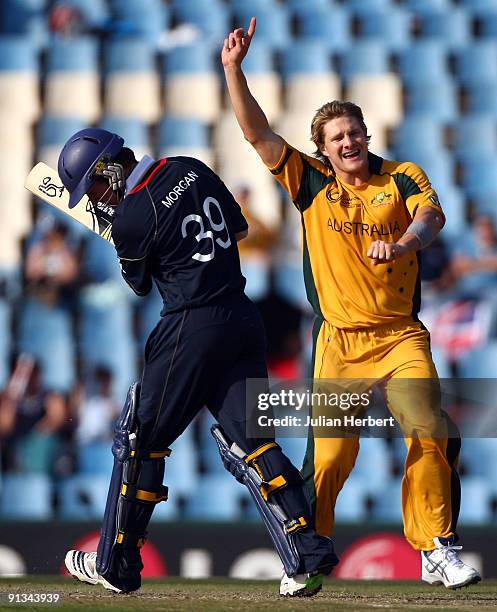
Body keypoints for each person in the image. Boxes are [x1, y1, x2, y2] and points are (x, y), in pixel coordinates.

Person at [221, 17, 481, 591]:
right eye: (336, 138)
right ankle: (308, 558)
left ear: (366, 134)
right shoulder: (311, 183)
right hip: (339, 342)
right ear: (323, 149)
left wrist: (406, 242)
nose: (348, 143)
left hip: (400, 337)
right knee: (331, 460)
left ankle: (435, 546)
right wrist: (234, 70)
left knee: (430, 429)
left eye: (354, 132)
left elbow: (431, 218)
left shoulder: (403, 176)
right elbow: (258, 135)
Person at [56, 128, 337, 596]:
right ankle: (305, 555)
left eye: (96, 188)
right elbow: (240, 230)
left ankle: (115, 562)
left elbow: (140, 285)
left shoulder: (128, 220)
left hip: (191, 326)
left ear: (108, 169)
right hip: (242, 318)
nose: (97, 199)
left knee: (139, 439)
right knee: (252, 443)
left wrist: (126, 229)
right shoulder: (190, 167)